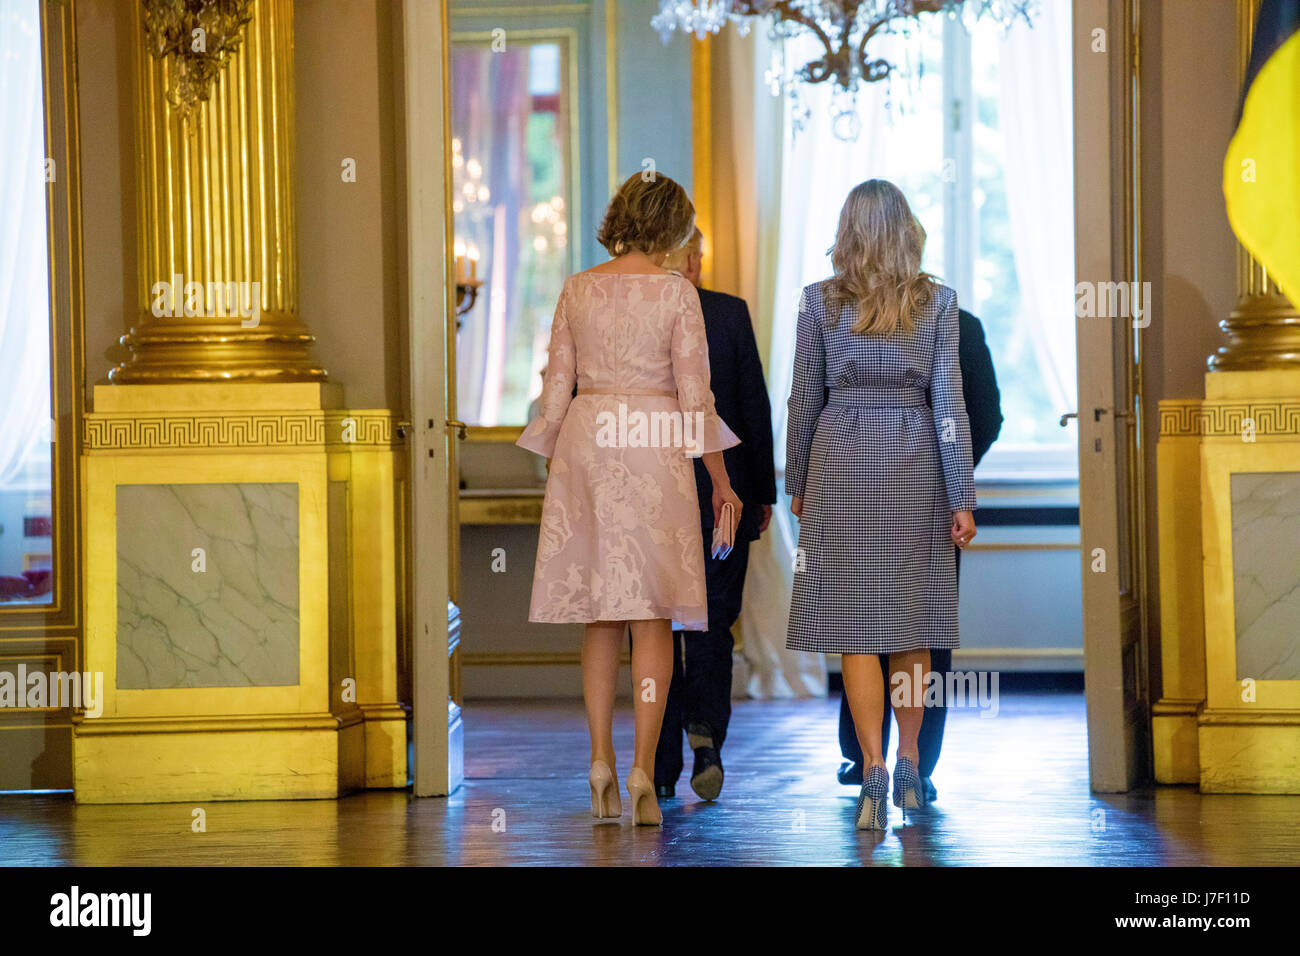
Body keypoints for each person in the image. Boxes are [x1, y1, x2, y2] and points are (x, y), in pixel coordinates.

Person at [517, 173, 743, 827]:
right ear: (672, 227)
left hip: (590, 440)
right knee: (652, 617)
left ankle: (599, 762)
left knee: (599, 615)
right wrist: (723, 481)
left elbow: (556, 385)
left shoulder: (578, 287)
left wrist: (554, 456)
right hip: (654, 439)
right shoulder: (677, 295)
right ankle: (645, 769)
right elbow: (696, 397)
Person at [784, 179, 976, 831]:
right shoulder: (939, 303)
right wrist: (963, 496)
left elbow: (803, 400)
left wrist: (797, 483)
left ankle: (869, 765)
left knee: (854, 633)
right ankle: (911, 762)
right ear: (908, 231)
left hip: (838, 461)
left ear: (848, 233)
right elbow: (950, 406)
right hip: (916, 461)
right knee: (910, 629)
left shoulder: (818, 302)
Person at [835, 306, 1002, 798]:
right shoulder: (959, 322)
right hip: (933, 500)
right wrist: (951, 478)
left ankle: (864, 758)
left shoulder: (844, 317)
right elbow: (986, 416)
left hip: (856, 490)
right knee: (927, 630)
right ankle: (918, 762)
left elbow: (817, 404)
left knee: (860, 625)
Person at [652, 228, 777, 802]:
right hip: (720, 495)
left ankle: (658, 763)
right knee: (713, 620)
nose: (696, 261)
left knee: (652, 624)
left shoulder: (636, 316)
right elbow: (753, 405)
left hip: (651, 495)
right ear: (688, 258)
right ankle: (706, 740)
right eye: (694, 252)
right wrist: (761, 496)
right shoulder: (728, 314)